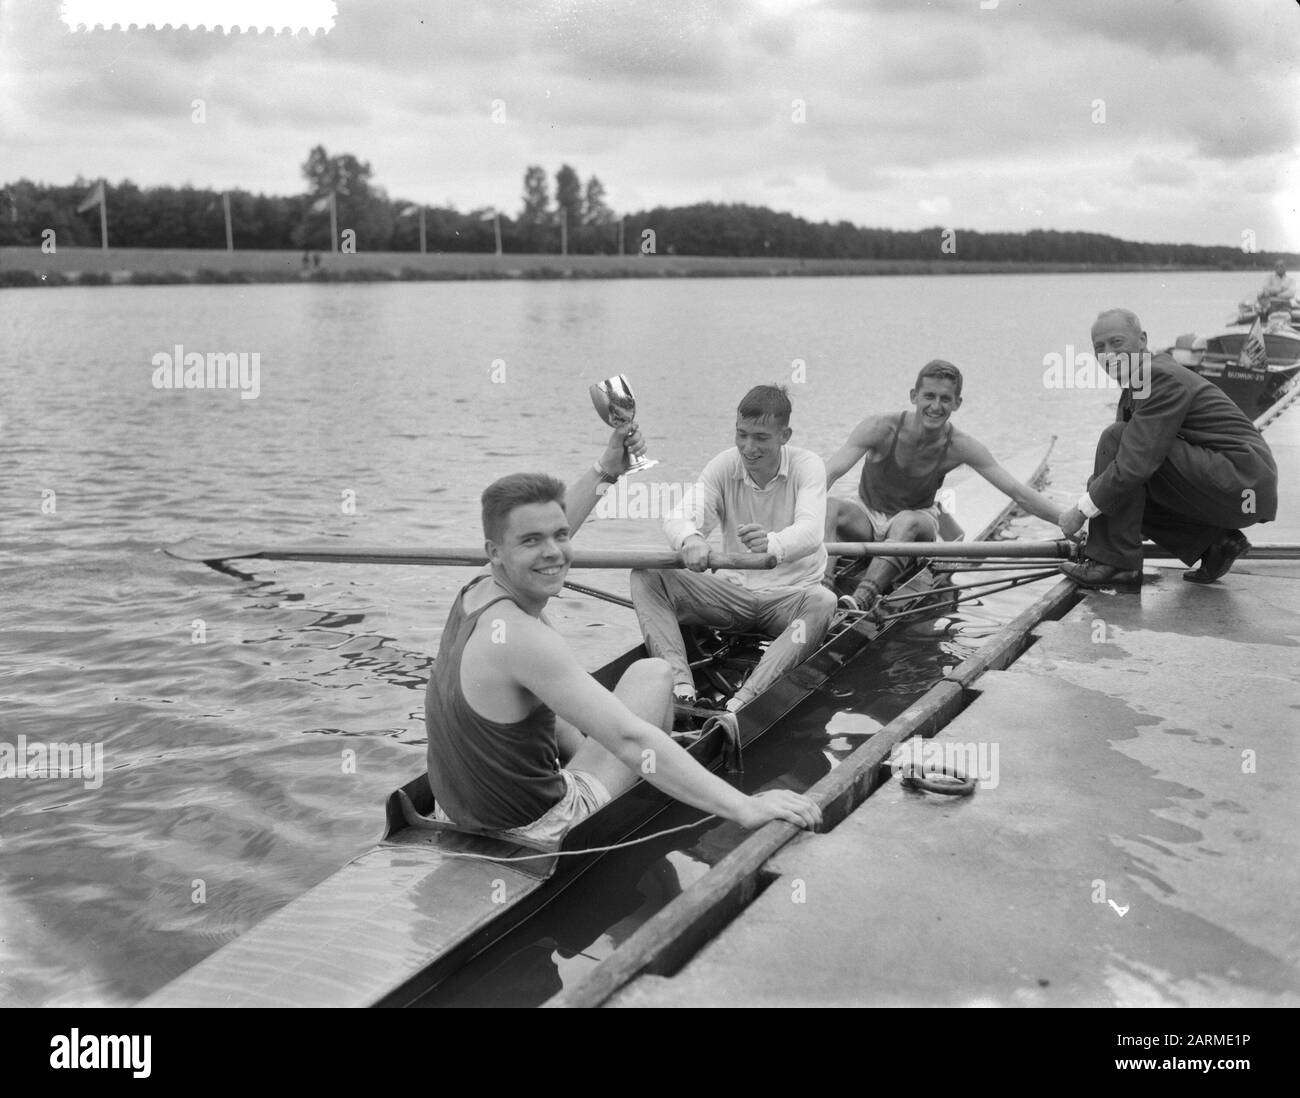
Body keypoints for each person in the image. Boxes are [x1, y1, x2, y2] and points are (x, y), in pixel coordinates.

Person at [424, 424, 821, 850]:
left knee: (564, 699)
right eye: (531, 541)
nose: (555, 552)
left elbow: (549, 528)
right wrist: (746, 808)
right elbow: (632, 742)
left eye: (560, 535)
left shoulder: (475, 593)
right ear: (495, 552)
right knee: (653, 675)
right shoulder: (524, 638)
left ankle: (595, 756)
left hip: (452, 812)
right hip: (536, 828)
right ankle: (643, 782)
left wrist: (605, 471)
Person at [629, 385, 837, 727]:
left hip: (790, 599)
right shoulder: (724, 466)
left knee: (825, 601)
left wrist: (772, 544)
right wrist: (691, 539)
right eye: (741, 435)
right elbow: (679, 515)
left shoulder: (807, 466)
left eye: (760, 438)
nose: (748, 448)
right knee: (646, 575)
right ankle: (680, 689)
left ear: (785, 435)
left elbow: (812, 532)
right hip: (734, 597)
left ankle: (743, 702)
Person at [823, 360, 1065, 615]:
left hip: (917, 524)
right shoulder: (879, 427)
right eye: (929, 396)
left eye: (945, 399)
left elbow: (1017, 493)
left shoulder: (960, 445)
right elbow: (828, 475)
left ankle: (861, 599)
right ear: (914, 396)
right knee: (829, 507)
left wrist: (1069, 521)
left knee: (906, 521)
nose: (936, 406)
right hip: (867, 517)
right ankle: (822, 591)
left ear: (957, 403)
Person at [1059, 308, 1278, 588]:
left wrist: (1080, 512)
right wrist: (1103, 519)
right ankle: (1214, 544)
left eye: (1117, 343)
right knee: (1107, 486)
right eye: (1099, 348)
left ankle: (1115, 565)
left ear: (1142, 340)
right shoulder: (1141, 381)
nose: (1108, 355)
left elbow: (1133, 465)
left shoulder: (1156, 375)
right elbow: (1119, 480)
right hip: (1236, 486)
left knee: (1116, 441)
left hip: (1242, 477)